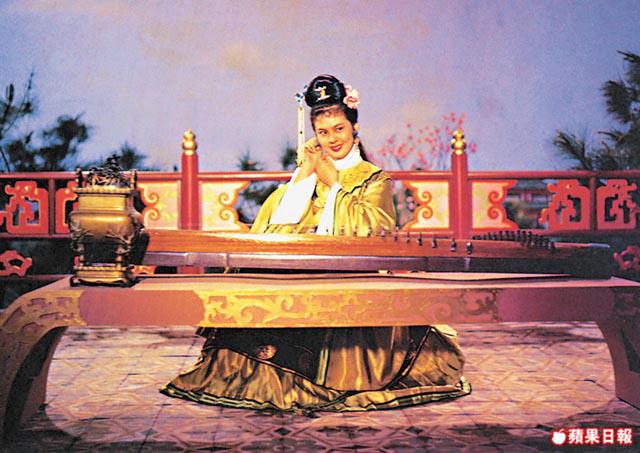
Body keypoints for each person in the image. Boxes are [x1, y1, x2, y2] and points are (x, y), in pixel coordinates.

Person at [160, 74, 471, 412]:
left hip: (349, 278)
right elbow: (270, 227)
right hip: (298, 267)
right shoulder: (310, 173)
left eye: (339, 129)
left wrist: (335, 185)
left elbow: (374, 233)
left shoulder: (374, 179)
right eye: (323, 132)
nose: (332, 139)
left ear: (354, 127)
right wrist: (304, 176)